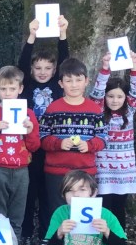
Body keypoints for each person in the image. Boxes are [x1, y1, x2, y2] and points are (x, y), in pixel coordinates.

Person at [0, 64, 41, 245]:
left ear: (20, 89)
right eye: (3, 89)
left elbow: (35, 147)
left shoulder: (28, 114)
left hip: (21, 171)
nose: (8, 93)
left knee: (17, 213)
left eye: (12, 88)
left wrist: (30, 131)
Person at [19, 15, 70, 245]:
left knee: (48, 194)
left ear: (54, 71)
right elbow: (20, 66)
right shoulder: (26, 87)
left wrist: (63, 34)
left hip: (51, 147)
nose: (42, 72)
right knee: (29, 193)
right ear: (31, 70)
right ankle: (26, 232)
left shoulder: (57, 86)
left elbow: (66, 61)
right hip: (29, 147)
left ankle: (46, 234)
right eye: (38, 68)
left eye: (48, 68)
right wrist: (31, 36)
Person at [39, 57, 107, 215]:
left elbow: (103, 138)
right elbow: (42, 138)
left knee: (82, 216)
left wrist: (89, 145)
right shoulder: (52, 108)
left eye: (78, 80)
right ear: (61, 83)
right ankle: (56, 233)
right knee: (58, 213)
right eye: (69, 81)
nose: (74, 85)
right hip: (56, 172)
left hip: (85, 172)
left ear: (86, 81)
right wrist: (59, 144)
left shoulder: (95, 109)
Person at [89, 52, 136, 232]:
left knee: (119, 209)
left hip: (123, 172)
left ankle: (119, 239)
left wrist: (134, 65)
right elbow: (97, 92)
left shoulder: (129, 112)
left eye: (119, 97)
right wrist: (105, 67)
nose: (115, 100)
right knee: (102, 209)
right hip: (102, 170)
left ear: (126, 98)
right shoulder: (98, 111)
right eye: (110, 96)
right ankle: (101, 240)